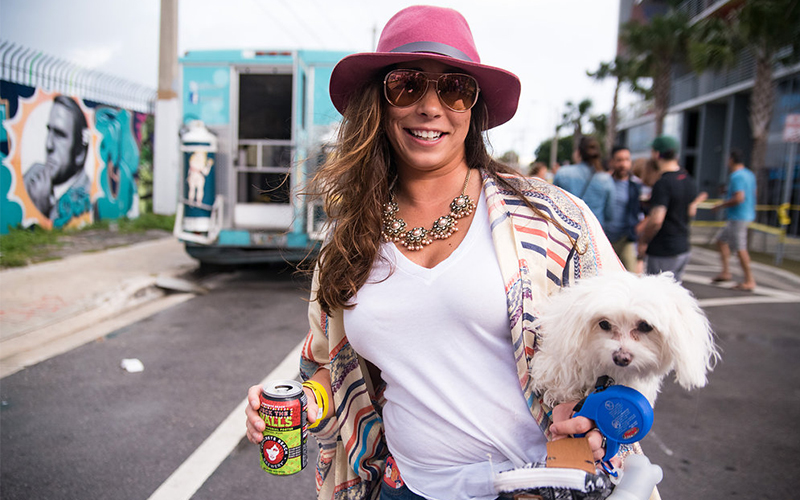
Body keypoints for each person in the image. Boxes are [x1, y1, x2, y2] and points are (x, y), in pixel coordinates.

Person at [244, 6, 625, 500]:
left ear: (474, 108)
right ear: (377, 103)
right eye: (406, 85)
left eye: (454, 88)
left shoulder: (551, 218)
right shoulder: (350, 239)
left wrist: (601, 417)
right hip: (405, 489)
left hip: (535, 487)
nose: (430, 106)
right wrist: (304, 403)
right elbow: (327, 368)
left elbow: (635, 339)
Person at [637, 135, 704, 281]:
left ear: (657, 154)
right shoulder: (688, 179)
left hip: (663, 250)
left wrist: (643, 241)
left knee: (657, 296)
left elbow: (656, 220)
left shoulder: (663, 183)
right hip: (683, 248)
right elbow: (691, 211)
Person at [23, 94, 91, 227]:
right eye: (50, 131)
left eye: (60, 135)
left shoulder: (85, 191)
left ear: (80, 153)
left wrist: (43, 211)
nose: (49, 145)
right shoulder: (32, 175)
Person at [711, 149, 757, 291]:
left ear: (731, 160)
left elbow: (739, 198)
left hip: (739, 217)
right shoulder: (749, 174)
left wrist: (721, 205)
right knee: (721, 241)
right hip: (745, 214)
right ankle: (726, 272)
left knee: (740, 249)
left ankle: (749, 280)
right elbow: (752, 193)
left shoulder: (736, 176)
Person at [553, 136, 615, 230]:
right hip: (593, 233)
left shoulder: (562, 173)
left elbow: (552, 204)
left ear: (578, 152)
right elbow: (610, 213)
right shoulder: (606, 179)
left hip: (566, 231)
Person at [604, 146, 642, 272]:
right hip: (604, 238)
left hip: (626, 238)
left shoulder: (635, 186)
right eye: (619, 160)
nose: (623, 164)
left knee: (632, 276)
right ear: (612, 162)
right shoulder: (604, 183)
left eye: (626, 160)